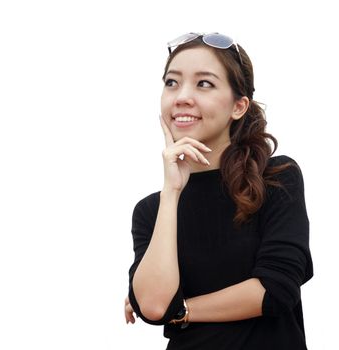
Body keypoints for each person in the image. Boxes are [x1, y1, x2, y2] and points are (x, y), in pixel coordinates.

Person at [124, 32, 314, 349]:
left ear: (239, 106)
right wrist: (171, 192)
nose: (182, 96)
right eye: (172, 82)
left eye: (204, 84)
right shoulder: (150, 211)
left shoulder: (277, 178)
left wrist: (182, 310)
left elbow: (275, 290)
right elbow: (154, 306)